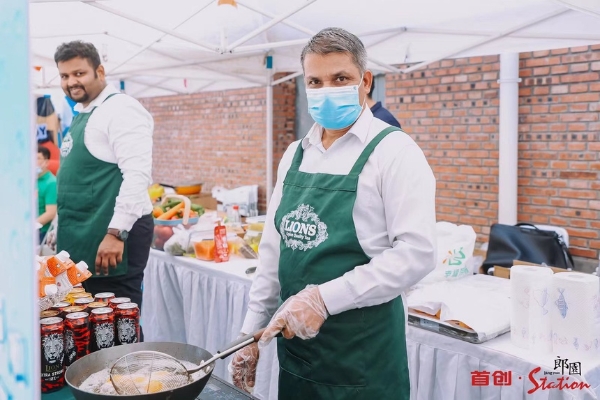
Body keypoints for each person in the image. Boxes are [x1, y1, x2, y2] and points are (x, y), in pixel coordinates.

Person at [230, 28, 436, 399]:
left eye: (340, 78)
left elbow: (416, 253)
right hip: (299, 358)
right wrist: (249, 335)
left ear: (365, 81)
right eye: (315, 81)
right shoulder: (295, 154)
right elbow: (272, 253)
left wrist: (324, 299)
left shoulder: (395, 152)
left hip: (362, 358)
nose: (326, 89)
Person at [54, 40, 154, 319]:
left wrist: (116, 233)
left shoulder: (121, 109)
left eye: (79, 73)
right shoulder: (85, 111)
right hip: (83, 236)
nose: (72, 82)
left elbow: (137, 174)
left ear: (100, 71)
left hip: (111, 238)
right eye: (64, 76)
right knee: (88, 322)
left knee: (115, 322)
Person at [37, 146, 57, 244]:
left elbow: (50, 213)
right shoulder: (31, 180)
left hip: (41, 231)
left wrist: (31, 226)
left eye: (38, 158)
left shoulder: (51, 183)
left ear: (46, 162)